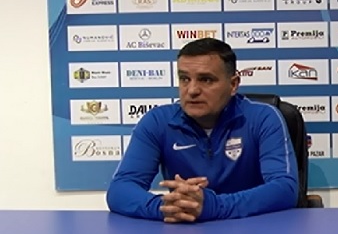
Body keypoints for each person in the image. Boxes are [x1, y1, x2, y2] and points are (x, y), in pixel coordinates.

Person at [106, 38, 299, 222]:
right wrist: (166, 208)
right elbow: (120, 189)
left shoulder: (263, 118)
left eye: (206, 80)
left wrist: (213, 206)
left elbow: (285, 189)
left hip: (254, 231)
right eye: (184, 79)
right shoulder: (157, 122)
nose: (192, 90)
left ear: (233, 84)